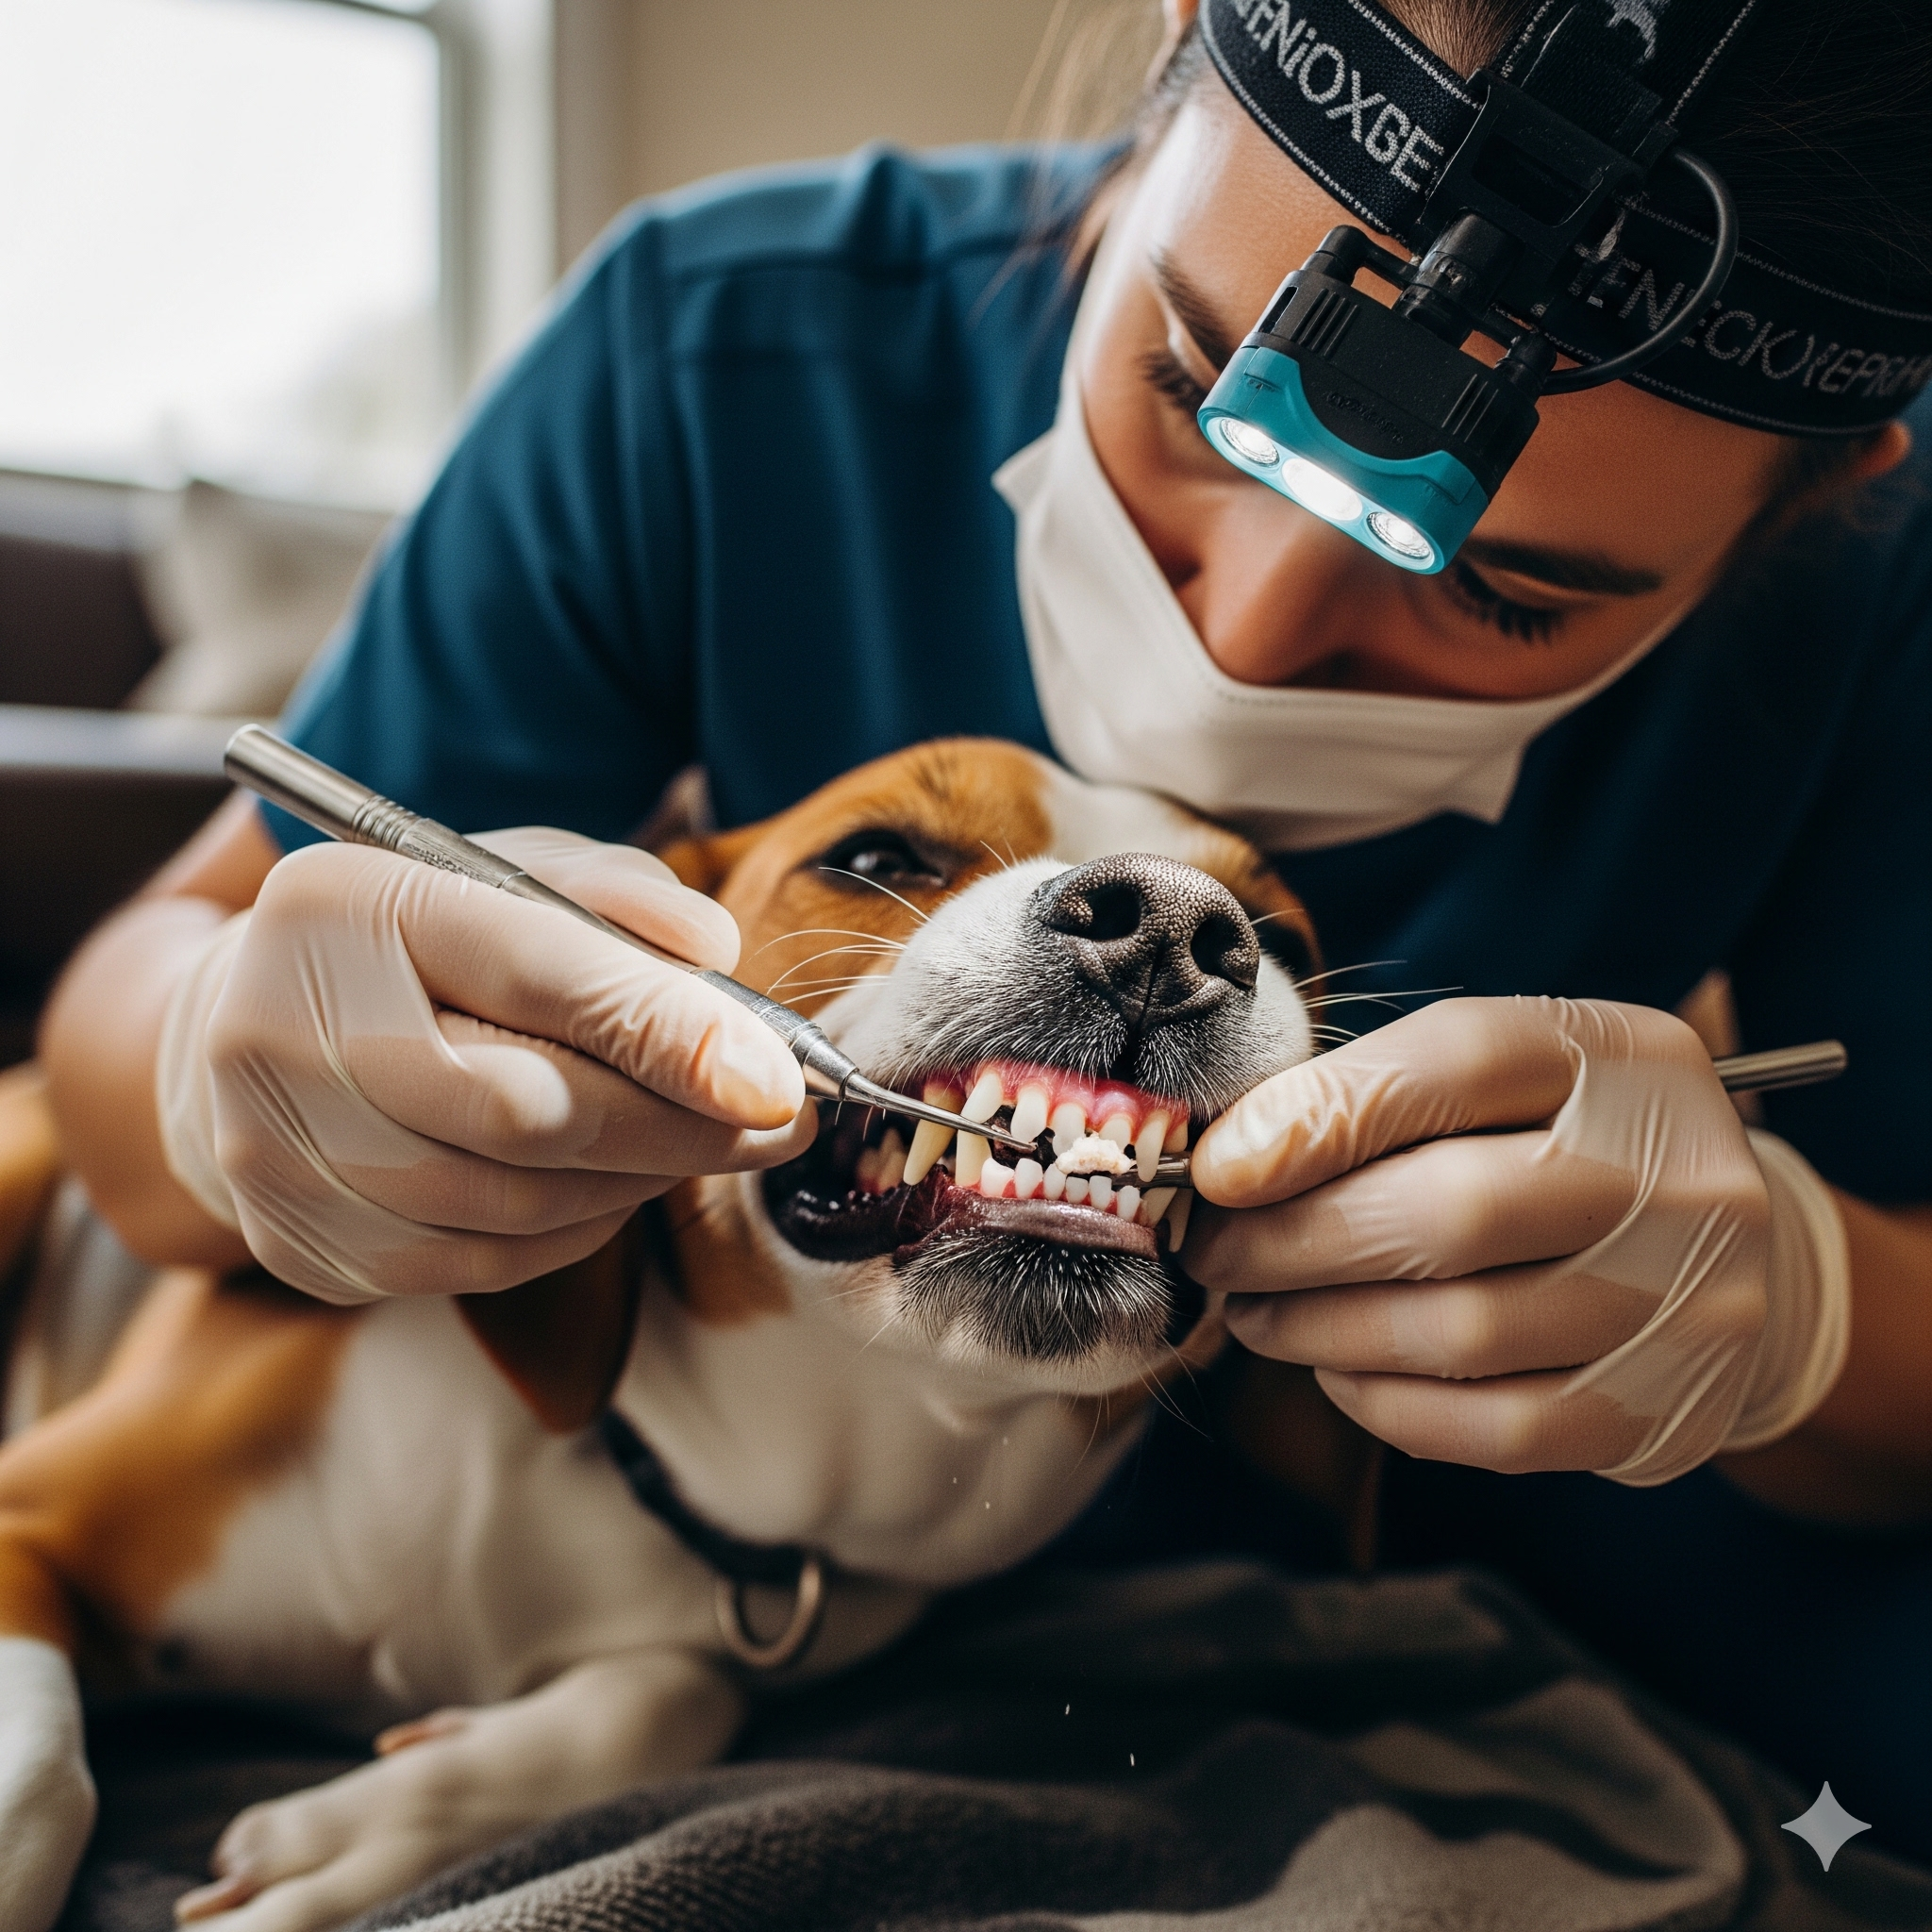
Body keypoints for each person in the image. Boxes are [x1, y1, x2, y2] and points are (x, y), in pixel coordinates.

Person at [40, 0, 1931, 1857]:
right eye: (1197, 387)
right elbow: (132, 1028)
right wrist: (217, 1050)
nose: (1252, 627)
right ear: (1171, 45)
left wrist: (1811, 1310)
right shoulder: (718, 340)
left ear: (1848, 488)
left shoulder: (1877, 623)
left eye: (1505, 592)